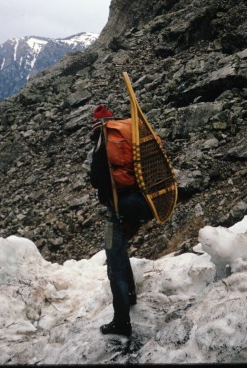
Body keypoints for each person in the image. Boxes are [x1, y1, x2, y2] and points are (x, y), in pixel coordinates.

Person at [89, 104, 153, 337]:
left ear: (96, 124)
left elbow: (97, 180)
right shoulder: (127, 134)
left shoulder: (102, 144)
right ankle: (131, 296)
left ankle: (121, 322)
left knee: (114, 262)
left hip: (118, 208)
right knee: (121, 249)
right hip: (141, 202)